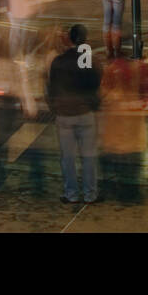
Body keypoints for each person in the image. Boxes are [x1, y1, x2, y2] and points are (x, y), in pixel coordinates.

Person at [46, 24, 102, 204]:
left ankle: (71, 194)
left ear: (69, 38)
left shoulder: (59, 61)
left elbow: (51, 88)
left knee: (67, 158)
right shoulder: (90, 60)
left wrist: (54, 107)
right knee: (88, 157)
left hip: (64, 115)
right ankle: (90, 194)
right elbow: (95, 84)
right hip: (85, 112)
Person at [99, 52, 148, 202]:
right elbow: (144, 95)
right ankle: (131, 193)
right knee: (133, 160)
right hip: (134, 123)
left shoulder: (112, 67)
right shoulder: (140, 67)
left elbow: (103, 93)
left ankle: (112, 188)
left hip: (115, 122)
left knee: (113, 156)